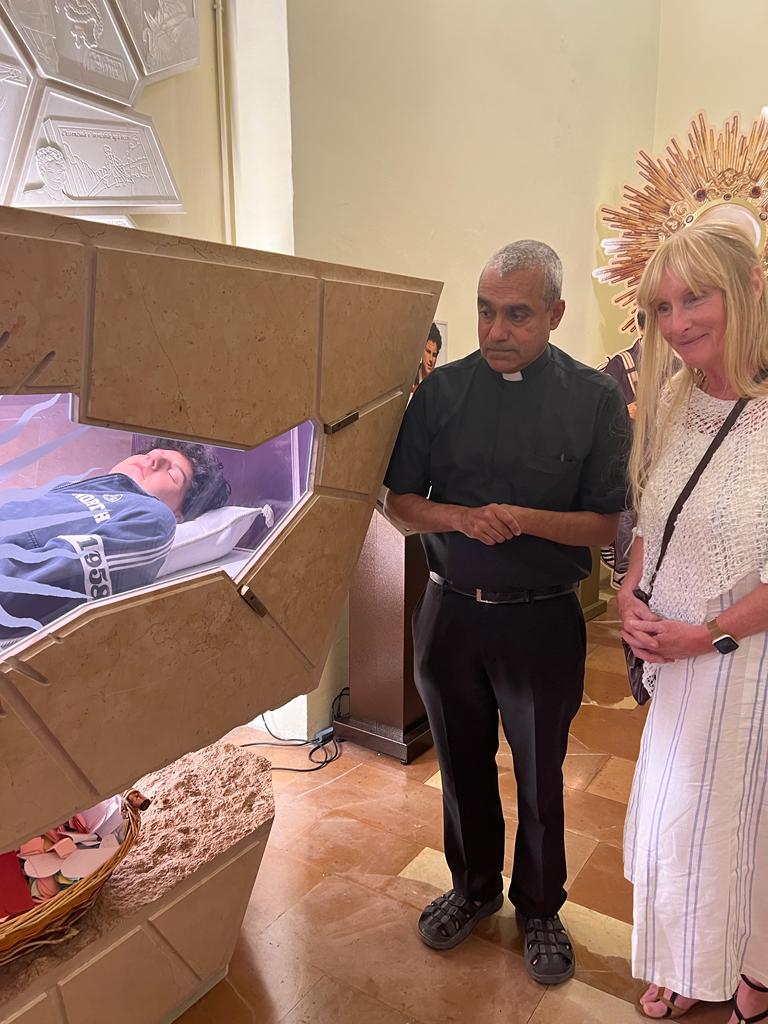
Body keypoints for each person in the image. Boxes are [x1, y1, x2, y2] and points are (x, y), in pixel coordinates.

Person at [384, 240, 630, 984]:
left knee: (540, 773)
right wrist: (460, 518)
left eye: (517, 315)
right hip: (450, 614)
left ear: (554, 313)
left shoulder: (594, 400)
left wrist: (523, 519)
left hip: (541, 621)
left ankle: (541, 907)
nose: (497, 330)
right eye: (486, 311)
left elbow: (605, 523)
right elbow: (400, 504)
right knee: (460, 767)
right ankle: (472, 889)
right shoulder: (440, 393)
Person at [619, 221, 768, 1022]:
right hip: (675, 664)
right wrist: (629, 593)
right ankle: (685, 956)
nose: (676, 324)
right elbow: (655, 517)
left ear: (749, 288)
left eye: (694, 298)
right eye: (662, 307)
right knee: (680, 824)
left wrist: (705, 636)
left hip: (747, 665)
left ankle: (755, 975)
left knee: (749, 829)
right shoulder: (678, 398)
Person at [0, 439, 230, 640]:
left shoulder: (153, 518)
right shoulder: (72, 489)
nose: (154, 459)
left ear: (178, 514)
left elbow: (34, 587)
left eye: (173, 474)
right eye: (149, 454)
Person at [598, 311, 643, 587]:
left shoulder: (680, 364)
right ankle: (625, 570)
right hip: (628, 454)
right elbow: (600, 411)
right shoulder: (622, 363)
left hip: (660, 456)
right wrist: (627, 411)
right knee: (628, 509)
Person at [412, 322, 443, 393]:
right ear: (421, 351)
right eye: (428, 352)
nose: (431, 359)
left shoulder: (438, 385)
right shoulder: (410, 379)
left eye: (434, 355)